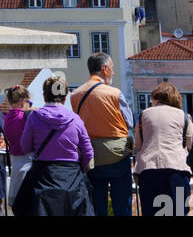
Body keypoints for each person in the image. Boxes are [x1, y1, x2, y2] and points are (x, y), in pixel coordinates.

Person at [16, 74, 94, 216]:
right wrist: (78, 168)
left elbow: (25, 146)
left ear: (45, 96)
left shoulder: (34, 117)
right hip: (72, 180)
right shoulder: (76, 120)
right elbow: (88, 153)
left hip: (43, 177)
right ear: (65, 98)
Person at [71, 54, 134, 217]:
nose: (113, 73)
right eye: (112, 69)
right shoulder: (114, 93)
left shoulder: (75, 95)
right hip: (116, 154)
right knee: (122, 204)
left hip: (90, 155)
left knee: (97, 205)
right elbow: (130, 122)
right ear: (104, 69)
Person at [134, 82, 193, 217]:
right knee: (178, 212)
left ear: (157, 98)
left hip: (148, 172)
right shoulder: (184, 116)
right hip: (177, 171)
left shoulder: (144, 115)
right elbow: (190, 144)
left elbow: (138, 145)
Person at [3, 85, 34, 208]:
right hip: (28, 160)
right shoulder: (27, 117)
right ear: (23, 101)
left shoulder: (7, 117)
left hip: (15, 161)